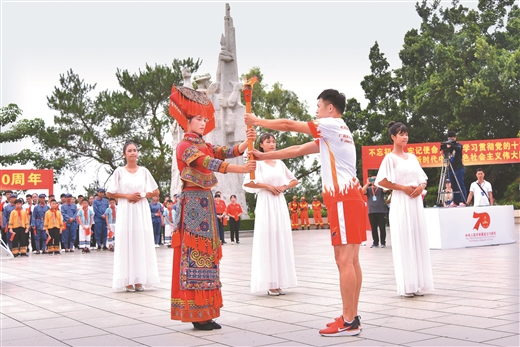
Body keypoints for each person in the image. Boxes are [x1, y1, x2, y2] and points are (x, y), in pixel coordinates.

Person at [245, 89, 366, 337]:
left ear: (330, 108)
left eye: (319, 106)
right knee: (350, 260)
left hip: (343, 198)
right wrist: (265, 155)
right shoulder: (336, 130)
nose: (316, 111)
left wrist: (257, 121)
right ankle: (350, 315)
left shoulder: (330, 124)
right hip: (348, 197)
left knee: (345, 261)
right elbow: (298, 149)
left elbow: (289, 125)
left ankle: (349, 320)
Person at [168, 84, 256, 330]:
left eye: (204, 118)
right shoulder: (185, 146)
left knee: (208, 258)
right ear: (187, 121)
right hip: (193, 203)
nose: (203, 122)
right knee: (194, 257)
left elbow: (226, 152)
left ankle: (206, 312)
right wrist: (242, 169)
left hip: (205, 202)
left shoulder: (204, 143)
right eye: (199, 118)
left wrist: (245, 142)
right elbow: (210, 162)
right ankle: (196, 314)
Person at [375, 121, 434, 298]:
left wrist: (420, 186)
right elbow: (382, 181)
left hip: (415, 201)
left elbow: (423, 178)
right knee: (405, 239)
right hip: (401, 201)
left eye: (406, 134)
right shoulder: (389, 158)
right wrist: (403, 188)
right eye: (401, 134)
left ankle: (419, 283)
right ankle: (408, 285)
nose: (405, 137)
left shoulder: (413, 157)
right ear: (393, 137)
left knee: (417, 238)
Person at [243, 132, 299, 296]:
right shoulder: (256, 163)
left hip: (279, 202)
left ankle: (280, 281)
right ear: (261, 145)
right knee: (267, 239)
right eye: (268, 141)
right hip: (265, 201)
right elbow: (248, 183)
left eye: (274, 141)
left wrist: (284, 187)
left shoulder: (280, 163)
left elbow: (293, 180)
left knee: (280, 238)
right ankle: (269, 282)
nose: (272, 144)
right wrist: (267, 186)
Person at [106, 141, 160, 292]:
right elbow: (109, 193)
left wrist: (143, 194)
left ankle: (139, 279)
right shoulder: (119, 172)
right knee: (126, 242)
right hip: (126, 209)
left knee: (140, 242)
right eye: (129, 151)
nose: (133, 153)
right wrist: (126, 196)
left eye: (135, 150)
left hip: (141, 210)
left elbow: (156, 191)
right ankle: (127, 280)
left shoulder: (144, 171)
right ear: (124, 154)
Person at [362, 176, 389, 248]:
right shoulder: (368, 189)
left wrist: (380, 183)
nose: (374, 181)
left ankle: (383, 242)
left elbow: (385, 190)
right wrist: (367, 183)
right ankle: (375, 242)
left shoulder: (380, 188)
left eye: (375, 179)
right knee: (373, 228)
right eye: (373, 179)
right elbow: (362, 191)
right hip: (371, 211)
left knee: (382, 227)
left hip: (381, 210)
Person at [446, 130, 466, 205]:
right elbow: (442, 150)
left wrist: (451, 145)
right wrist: (446, 147)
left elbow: (458, 148)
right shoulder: (448, 145)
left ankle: (464, 201)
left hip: (459, 168)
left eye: (452, 137)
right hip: (451, 167)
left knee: (460, 184)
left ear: (455, 137)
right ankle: (456, 201)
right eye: (449, 138)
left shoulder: (458, 145)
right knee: (453, 186)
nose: (451, 139)